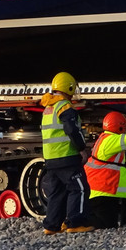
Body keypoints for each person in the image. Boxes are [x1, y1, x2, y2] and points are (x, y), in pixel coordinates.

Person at [39, 72, 94, 235]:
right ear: (69, 87)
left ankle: (51, 226)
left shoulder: (48, 108)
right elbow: (72, 129)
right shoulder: (65, 106)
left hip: (51, 159)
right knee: (80, 188)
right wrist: (82, 148)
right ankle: (75, 223)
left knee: (57, 192)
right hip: (66, 157)